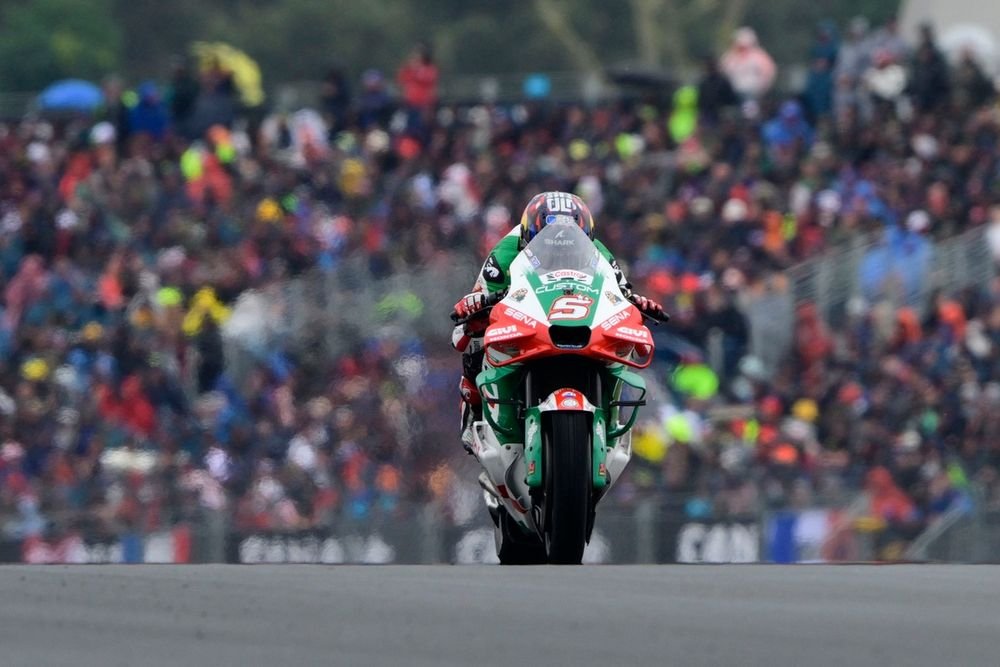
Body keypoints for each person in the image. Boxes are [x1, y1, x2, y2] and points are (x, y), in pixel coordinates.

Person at [450, 192, 666, 450]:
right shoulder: (504, 254)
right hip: (528, 314)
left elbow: (621, 293)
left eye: (571, 243)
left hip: (579, 315)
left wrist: (637, 302)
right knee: (473, 339)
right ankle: (473, 411)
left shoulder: (601, 255)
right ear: (527, 238)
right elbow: (476, 302)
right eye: (549, 241)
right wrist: (475, 304)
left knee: (622, 343)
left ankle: (609, 412)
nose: (561, 249)